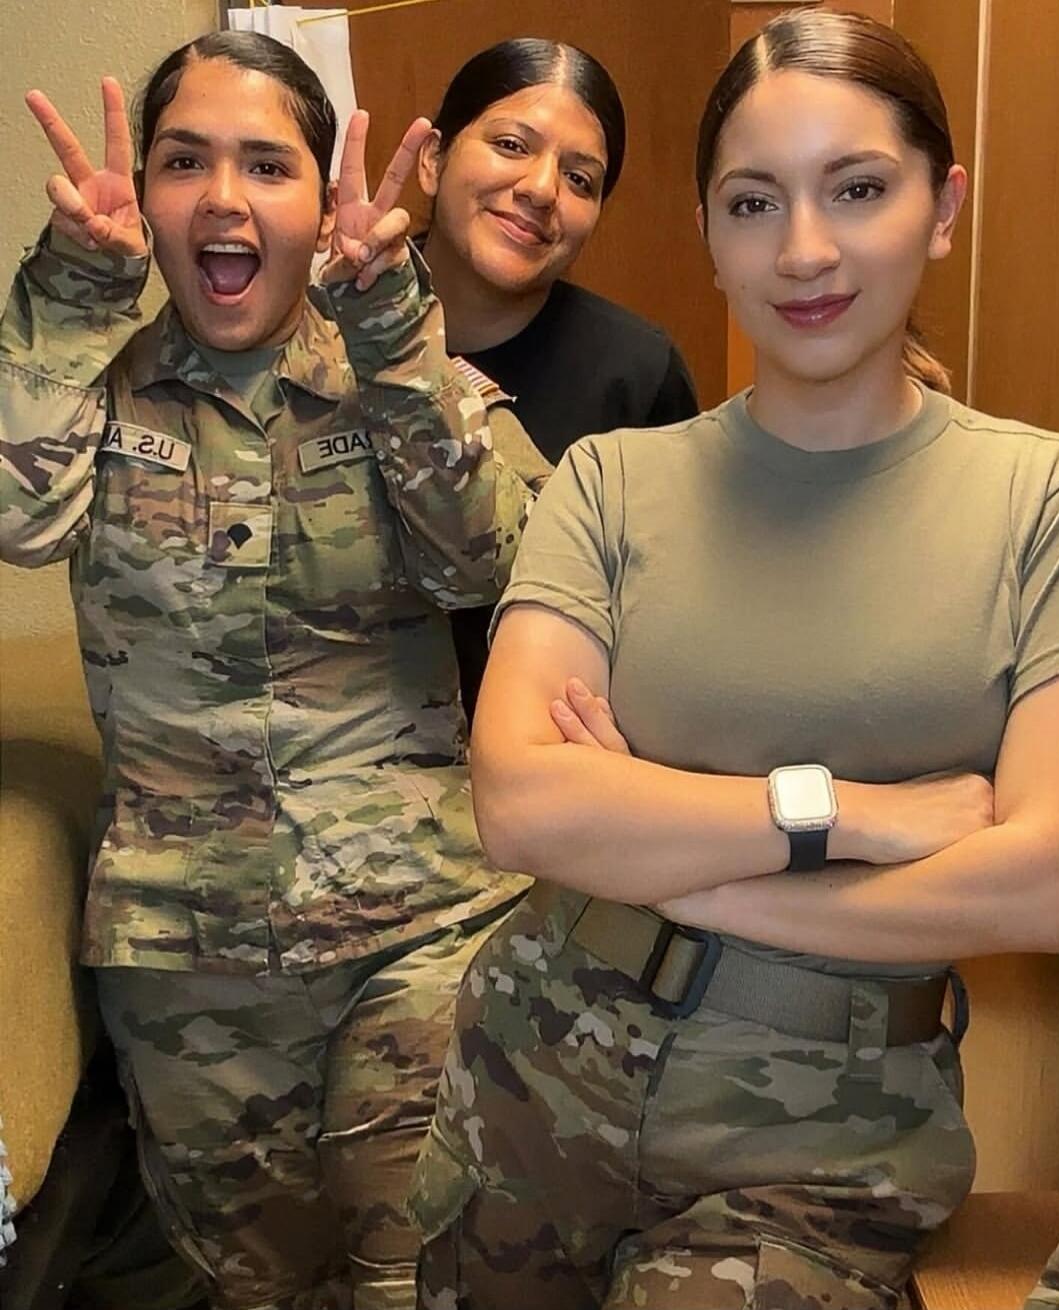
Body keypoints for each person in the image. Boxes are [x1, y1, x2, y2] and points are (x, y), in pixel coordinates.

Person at [411, 10, 1059, 1309]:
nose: (807, 247)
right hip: (525, 1087)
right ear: (712, 234)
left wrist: (674, 867)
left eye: (860, 189)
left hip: (812, 1147)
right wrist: (861, 815)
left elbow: (1051, 877)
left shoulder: (1044, 503)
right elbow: (519, 799)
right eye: (756, 200)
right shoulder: (611, 478)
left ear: (942, 205)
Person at [0, 30, 544, 1310]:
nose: (226, 199)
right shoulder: (96, 395)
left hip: (417, 927)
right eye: (185, 162)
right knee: (260, 1290)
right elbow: (15, 520)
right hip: (188, 955)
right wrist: (70, 292)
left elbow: (487, 563)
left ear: (321, 202)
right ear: (144, 198)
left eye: (268, 164)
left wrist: (395, 329)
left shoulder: (412, 377)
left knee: (412, 1265)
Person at [415, 38, 699, 717]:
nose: (542, 190)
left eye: (580, 179)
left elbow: (672, 620)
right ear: (433, 158)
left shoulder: (636, 372)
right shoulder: (328, 328)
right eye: (513, 145)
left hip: (543, 765)